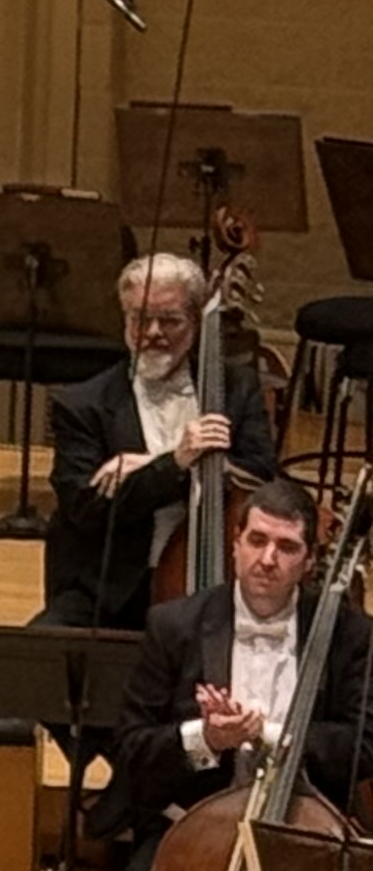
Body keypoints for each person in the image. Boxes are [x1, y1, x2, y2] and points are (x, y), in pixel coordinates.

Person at [98, 475, 373, 871]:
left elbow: (363, 749)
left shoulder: (349, 634)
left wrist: (269, 733)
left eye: (287, 547)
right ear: (236, 544)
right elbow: (132, 748)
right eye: (257, 540)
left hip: (305, 833)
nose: (267, 559)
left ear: (310, 560)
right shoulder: (174, 625)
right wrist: (205, 738)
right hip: (191, 828)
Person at [41, 249, 278, 642]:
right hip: (112, 588)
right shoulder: (83, 404)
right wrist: (172, 462)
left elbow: (261, 474)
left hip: (214, 581)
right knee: (32, 662)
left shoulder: (236, 388)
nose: (152, 332)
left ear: (197, 321)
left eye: (169, 320)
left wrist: (152, 464)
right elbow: (84, 506)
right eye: (139, 319)